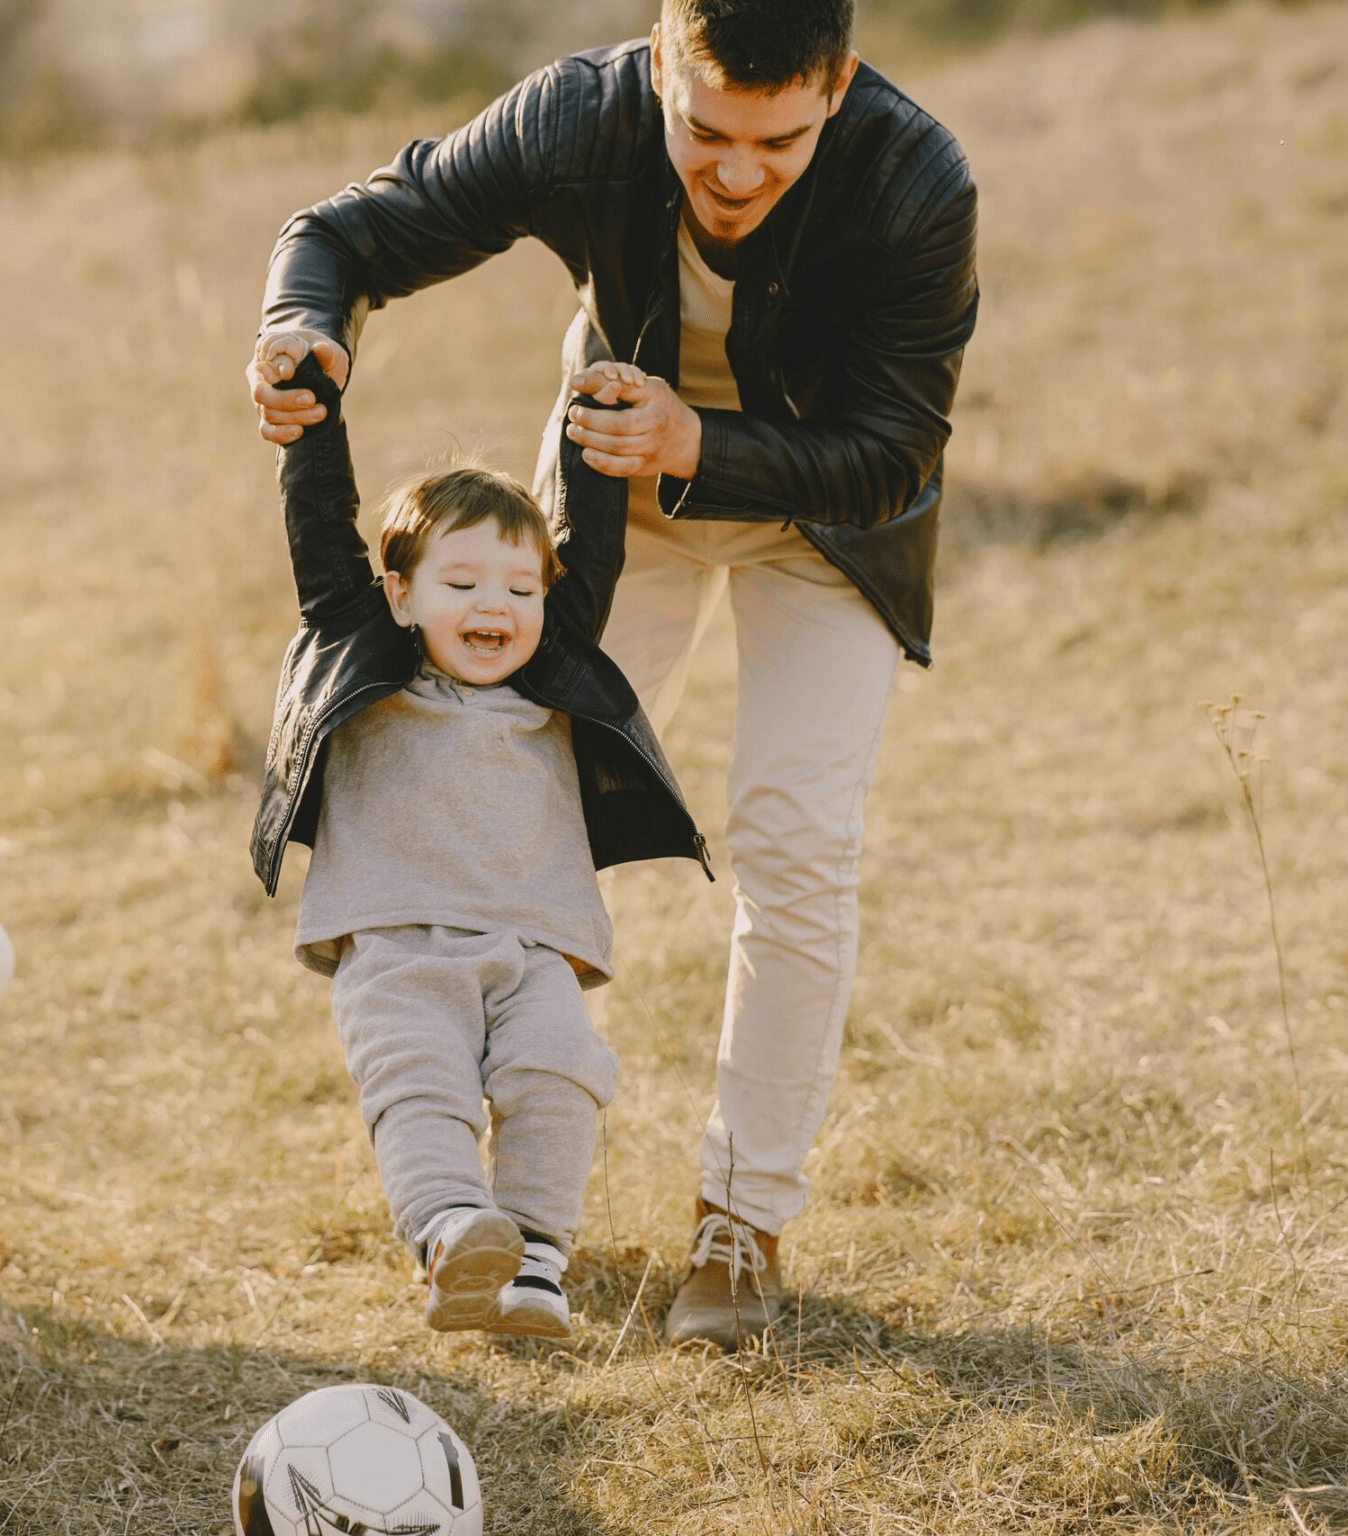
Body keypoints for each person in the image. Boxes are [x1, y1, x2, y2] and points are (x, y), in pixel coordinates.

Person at [247, 0, 978, 1350]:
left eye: (781, 139)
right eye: (705, 132)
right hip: (604, 516)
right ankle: (478, 1206)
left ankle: (741, 1224)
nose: (739, 172)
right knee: (513, 799)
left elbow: (896, 451)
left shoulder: (916, 179)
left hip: (827, 527)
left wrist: (702, 436)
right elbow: (343, 233)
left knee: (793, 838)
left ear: (841, 88)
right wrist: (306, 329)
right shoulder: (576, 118)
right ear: (656, 69)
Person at [252, 344, 708, 1338]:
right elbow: (322, 535)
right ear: (401, 594)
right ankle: (455, 1235)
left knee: (556, 1075)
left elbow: (594, 540)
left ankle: (536, 1260)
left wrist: (601, 401)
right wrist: (312, 421)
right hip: (396, 942)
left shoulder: (556, 674)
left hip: (533, 944)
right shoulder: (367, 655)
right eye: (460, 583)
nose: (493, 606)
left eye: (517, 588)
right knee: (421, 1085)